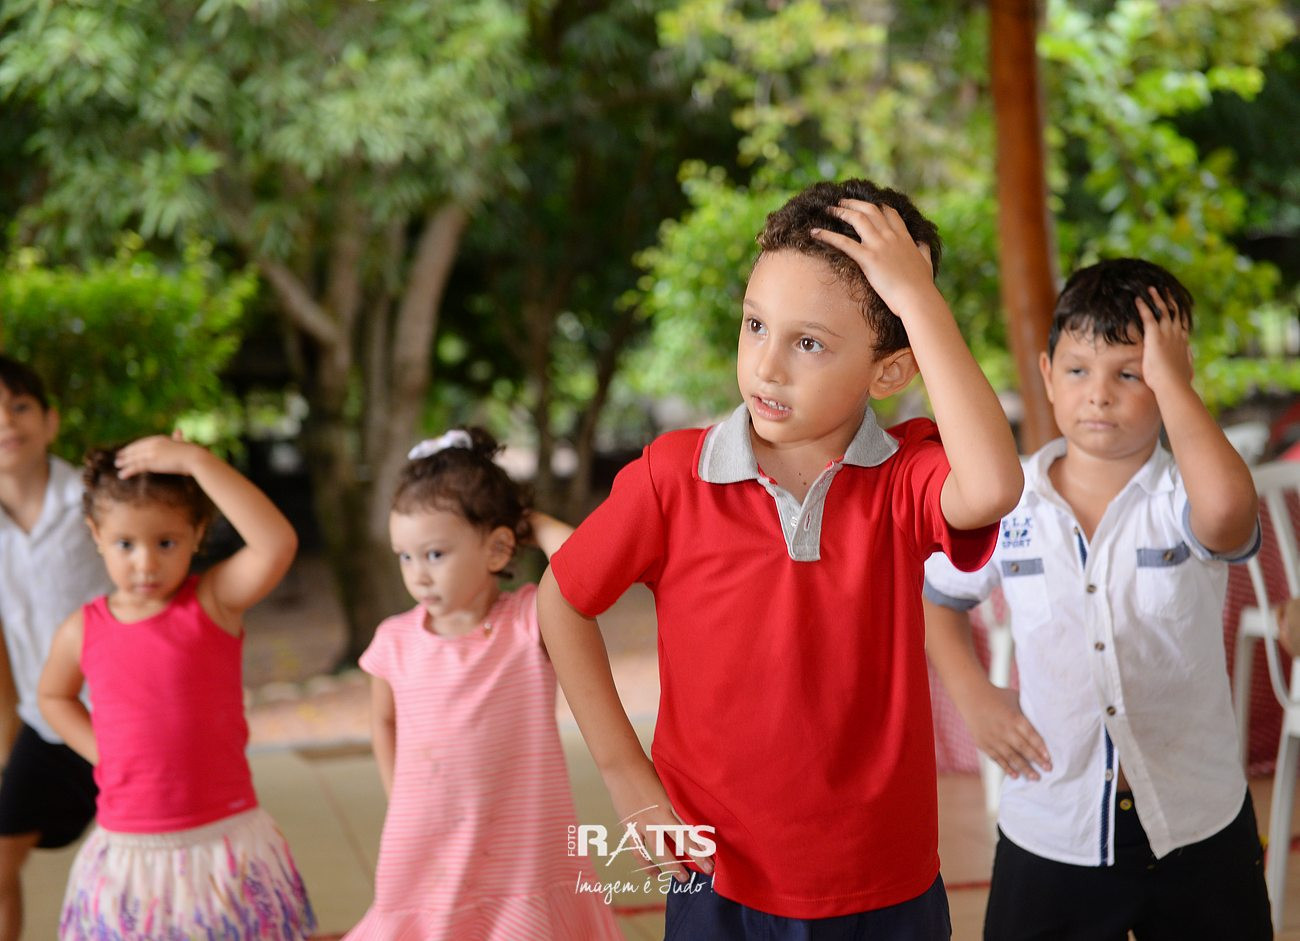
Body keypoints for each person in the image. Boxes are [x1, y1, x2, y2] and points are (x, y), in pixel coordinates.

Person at [538, 179, 1024, 937]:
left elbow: (992, 486)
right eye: (756, 325)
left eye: (808, 343)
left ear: (890, 370)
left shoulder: (906, 478)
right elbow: (562, 599)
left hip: (886, 884)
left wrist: (917, 299)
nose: (767, 366)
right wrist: (626, 775)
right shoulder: (674, 476)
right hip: (717, 877)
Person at [924, 258, 1271, 940]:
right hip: (1052, 825)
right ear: (1047, 373)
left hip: (1196, 821)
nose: (1100, 396)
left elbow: (1230, 513)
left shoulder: (1184, 496)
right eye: (1079, 370)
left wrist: (1173, 382)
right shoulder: (1010, 501)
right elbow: (938, 596)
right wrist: (974, 695)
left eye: (1131, 374)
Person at [344, 428, 622, 940]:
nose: (417, 574)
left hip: (522, 851)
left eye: (434, 554)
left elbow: (592, 564)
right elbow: (383, 720)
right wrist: (397, 793)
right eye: (404, 556)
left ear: (497, 549)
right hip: (426, 844)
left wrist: (530, 522)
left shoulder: (529, 622)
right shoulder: (394, 641)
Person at [38, 434, 315, 939]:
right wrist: (100, 749)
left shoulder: (213, 601)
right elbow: (53, 696)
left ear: (197, 533)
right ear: (96, 533)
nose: (145, 563)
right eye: (125, 544)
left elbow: (276, 543)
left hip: (223, 841)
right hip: (131, 846)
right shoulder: (82, 629)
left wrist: (197, 462)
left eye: (166, 543)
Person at [0, 355, 110, 941]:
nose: (5, 422)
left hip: (120, 718)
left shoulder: (94, 501)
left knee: (136, 866)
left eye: (19, 407)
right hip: (46, 724)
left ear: (50, 421)